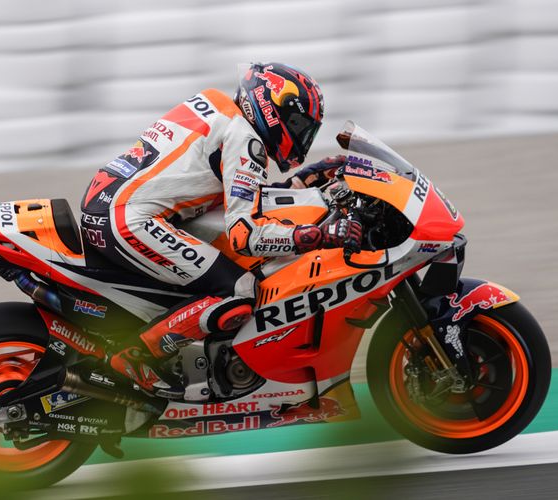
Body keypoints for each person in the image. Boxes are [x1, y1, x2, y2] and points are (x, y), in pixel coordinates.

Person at [80, 62, 361, 398]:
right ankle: (136, 357)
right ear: (272, 108)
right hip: (130, 219)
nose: (300, 136)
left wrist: (303, 179)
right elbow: (245, 236)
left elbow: (237, 192)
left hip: (108, 202)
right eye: (298, 125)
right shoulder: (246, 140)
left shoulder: (215, 105)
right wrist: (315, 236)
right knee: (239, 289)